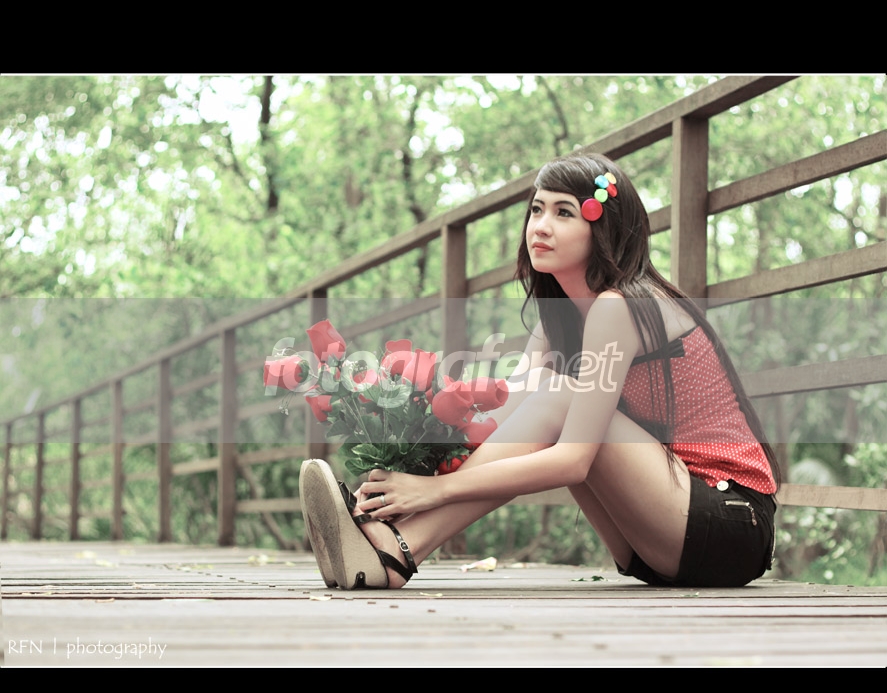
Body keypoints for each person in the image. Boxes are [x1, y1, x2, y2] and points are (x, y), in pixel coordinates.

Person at [299, 153, 780, 590]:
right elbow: (503, 419)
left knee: (561, 397)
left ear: (605, 229)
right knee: (545, 390)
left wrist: (434, 490)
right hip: (651, 537)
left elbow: (573, 461)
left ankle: (397, 547)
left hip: (729, 525)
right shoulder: (560, 318)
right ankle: (391, 539)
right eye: (536, 209)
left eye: (563, 213)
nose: (540, 227)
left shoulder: (619, 307)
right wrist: (407, 466)